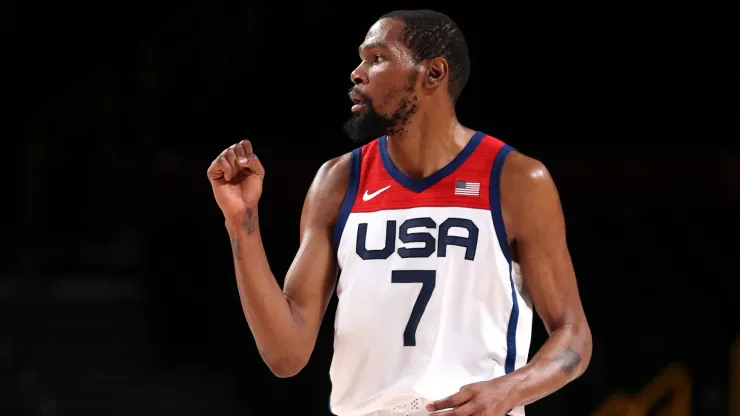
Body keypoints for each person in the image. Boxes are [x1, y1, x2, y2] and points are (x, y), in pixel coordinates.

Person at [207, 9, 592, 416]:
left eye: (377, 58)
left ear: (433, 73)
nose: (357, 73)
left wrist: (510, 390)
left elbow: (573, 336)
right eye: (360, 59)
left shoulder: (514, 179)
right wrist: (241, 222)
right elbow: (286, 356)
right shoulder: (337, 181)